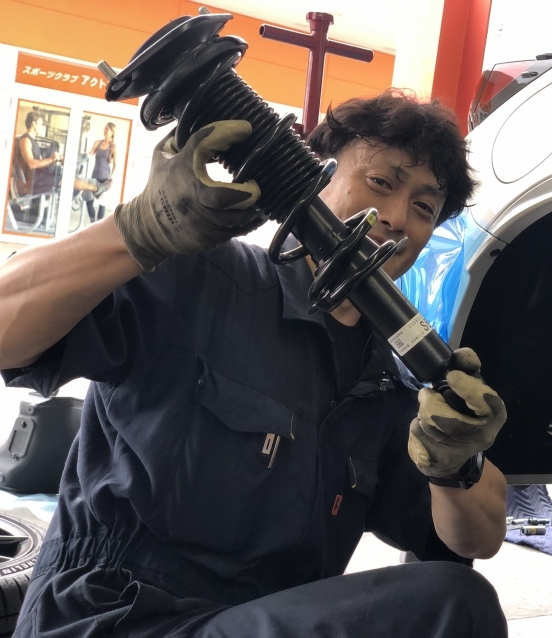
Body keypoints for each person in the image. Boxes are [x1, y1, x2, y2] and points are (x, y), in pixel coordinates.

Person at [0, 91, 509, 637]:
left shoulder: (388, 385)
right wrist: (138, 230)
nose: (396, 218)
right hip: (109, 617)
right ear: (319, 176)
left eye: (424, 208)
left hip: (261, 620)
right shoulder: (199, 277)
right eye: (381, 181)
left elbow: (477, 539)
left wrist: (457, 466)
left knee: (456, 599)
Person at [12, 111, 109, 200]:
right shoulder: (25, 140)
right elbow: (31, 164)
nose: (42, 126)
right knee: (67, 179)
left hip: (38, 178)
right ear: (34, 124)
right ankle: (97, 188)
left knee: (70, 175)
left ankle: (97, 187)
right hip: (33, 182)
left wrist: (55, 160)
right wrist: (51, 159)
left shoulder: (32, 141)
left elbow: (40, 164)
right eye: (40, 124)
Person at [86, 122, 117, 223]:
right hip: (94, 177)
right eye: (105, 128)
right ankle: (92, 223)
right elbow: (90, 153)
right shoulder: (97, 143)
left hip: (104, 179)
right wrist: (85, 155)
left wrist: (110, 178)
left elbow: (115, 165)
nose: (105, 130)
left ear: (112, 132)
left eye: (107, 129)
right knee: (89, 202)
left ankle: (98, 224)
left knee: (102, 204)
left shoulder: (113, 147)